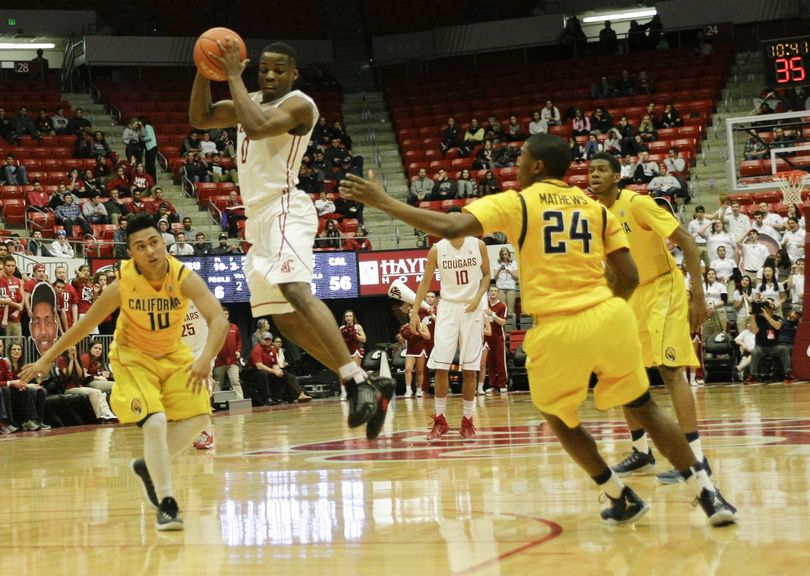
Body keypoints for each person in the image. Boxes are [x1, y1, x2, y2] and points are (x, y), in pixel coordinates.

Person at [338, 134, 737, 525]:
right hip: (608, 315)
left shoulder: (518, 203)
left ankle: (619, 494)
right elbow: (629, 275)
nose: (518, 167)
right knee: (645, 406)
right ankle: (709, 493)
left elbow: (451, 226)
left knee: (557, 414)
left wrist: (384, 202)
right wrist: (604, 304)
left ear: (538, 165)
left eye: (522, 160)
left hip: (558, 325)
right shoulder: (595, 207)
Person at [188, 40, 393, 440]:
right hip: (257, 221)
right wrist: (205, 68)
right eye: (263, 68)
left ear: (293, 74)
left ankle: (353, 381)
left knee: (295, 289)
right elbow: (200, 117)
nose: (269, 75)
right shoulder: (246, 99)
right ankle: (363, 379)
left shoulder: (301, 105)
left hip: (286, 208)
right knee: (280, 316)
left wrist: (231, 76)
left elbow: (257, 126)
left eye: (278, 69)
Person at [19, 212, 230, 532]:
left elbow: (219, 319)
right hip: (133, 358)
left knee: (201, 417)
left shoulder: (183, 276)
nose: (150, 251)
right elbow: (84, 325)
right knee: (156, 421)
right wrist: (46, 358)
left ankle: (150, 463)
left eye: (155, 242)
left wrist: (206, 359)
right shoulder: (122, 285)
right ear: (131, 253)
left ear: (164, 244)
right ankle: (167, 503)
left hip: (173, 355)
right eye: (141, 246)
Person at [588, 152, 724, 487]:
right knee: (621, 370)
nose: (594, 175)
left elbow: (689, 244)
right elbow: (609, 267)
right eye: (590, 170)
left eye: (602, 170)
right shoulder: (594, 215)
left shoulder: (638, 204)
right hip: (630, 292)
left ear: (617, 176)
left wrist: (698, 296)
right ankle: (640, 451)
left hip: (664, 288)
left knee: (670, 370)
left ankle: (696, 458)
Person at [407, 207, 490, 440]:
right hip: (448, 308)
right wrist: (414, 311)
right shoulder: (437, 249)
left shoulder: (478, 245)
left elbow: (486, 276)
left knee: (470, 368)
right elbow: (425, 282)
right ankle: (440, 420)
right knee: (440, 366)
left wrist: (478, 298)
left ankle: (467, 420)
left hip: (472, 308)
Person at [749, 298, 795, 382]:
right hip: (761, 347)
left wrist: (766, 316)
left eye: (768, 305)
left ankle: (787, 373)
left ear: (772, 308)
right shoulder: (758, 319)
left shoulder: (777, 318)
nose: (766, 307)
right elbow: (755, 331)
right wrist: (752, 315)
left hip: (774, 346)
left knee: (784, 349)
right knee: (754, 351)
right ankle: (753, 375)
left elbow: (777, 326)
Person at [397, 305, 431, 398]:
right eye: (410, 313)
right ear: (408, 315)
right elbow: (401, 340)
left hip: (421, 349)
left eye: (414, 313)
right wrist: (401, 336)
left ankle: (419, 390)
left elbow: (428, 337)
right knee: (408, 369)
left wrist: (420, 332)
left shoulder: (422, 325)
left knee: (420, 371)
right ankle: (408, 390)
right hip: (410, 349)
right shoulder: (406, 326)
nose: (412, 314)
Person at [482, 285, 508, 394]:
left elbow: (503, 322)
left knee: (500, 361)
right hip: (487, 337)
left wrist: (492, 314)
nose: (493, 292)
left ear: (498, 293)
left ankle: (502, 384)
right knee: (490, 363)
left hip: (498, 337)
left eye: (495, 291)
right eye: (491, 291)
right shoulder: (484, 304)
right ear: (488, 292)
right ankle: (492, 385)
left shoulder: (502, 306)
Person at [339, 310, 366, 399]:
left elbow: (364, 339)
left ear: (353, 318)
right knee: (343, 372)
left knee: (355, 371)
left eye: (350, 316)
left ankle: (357, 391)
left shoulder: (358, 327)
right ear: (345, 318)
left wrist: (355, 335)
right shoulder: (342, 328)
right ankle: (344, 392)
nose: (348, 318)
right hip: (346, 351)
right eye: (346, 316)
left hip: (356, 350)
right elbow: (339, 341)